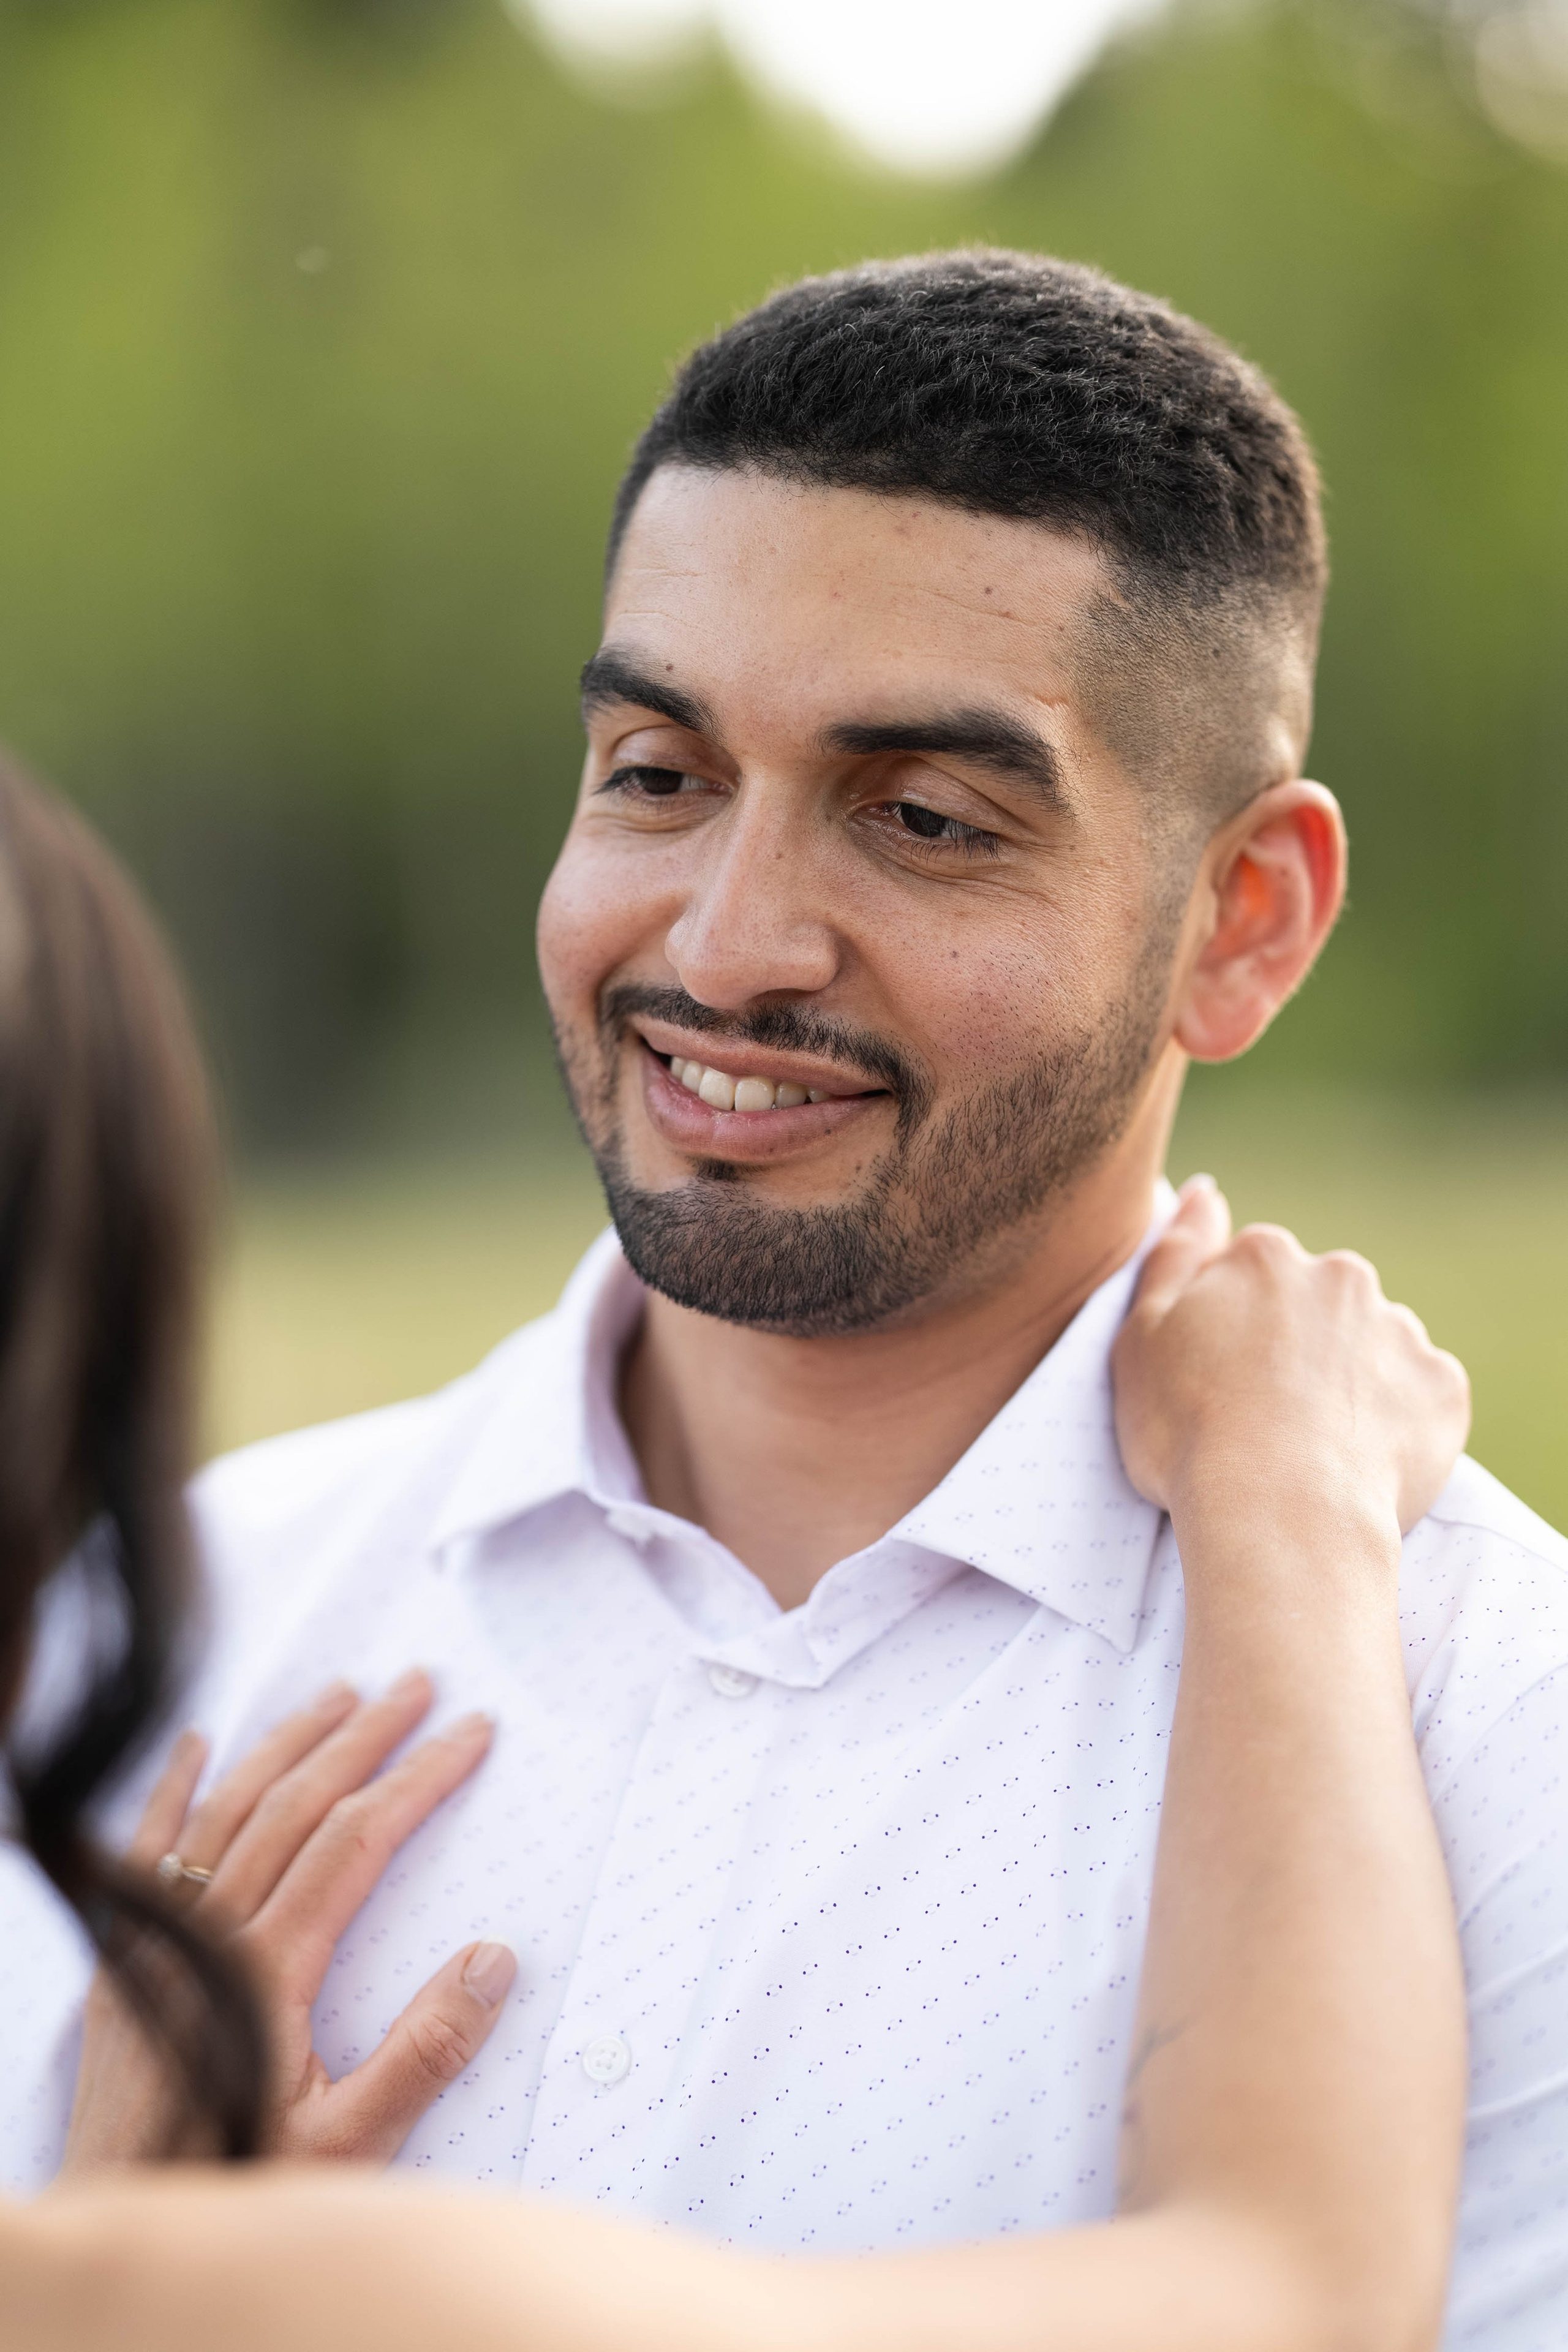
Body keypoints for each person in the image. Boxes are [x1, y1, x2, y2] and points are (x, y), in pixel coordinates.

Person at [6, 250, 1566, 2343]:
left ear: (1247, 921)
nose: (729, 946)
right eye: (657, 773)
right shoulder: (138, 1650)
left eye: (921, 820)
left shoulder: (1494, 1729)